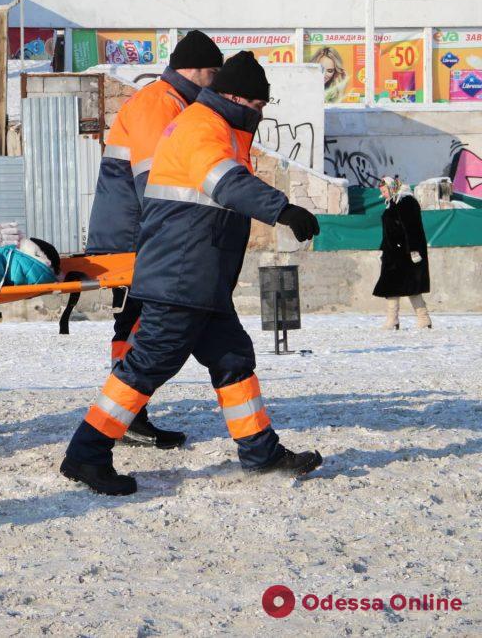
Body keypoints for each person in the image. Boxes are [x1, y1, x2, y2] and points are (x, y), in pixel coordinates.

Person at [60, 51, 324, 496]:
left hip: (201, 277)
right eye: (259, 107)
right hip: (182, 275)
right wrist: (284, 209)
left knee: (233, 359)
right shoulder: (204, 126)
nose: (260, 115)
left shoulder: (218, 125)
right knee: (148, 363)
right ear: (238, 97)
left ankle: (261, 453)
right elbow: (224, 182)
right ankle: (86, 452)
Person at [85, 30, 223, 450]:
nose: (216, 83)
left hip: (139, 232)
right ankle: (124, 414)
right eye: (214, 73)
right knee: (140, 325)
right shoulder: (159, 104)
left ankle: (128, 413)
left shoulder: (172, 102)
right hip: (137, 236)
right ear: (195, 69)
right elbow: (158, 180)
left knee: (138, 323)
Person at [373, 175, 431, 329]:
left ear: (392, 188)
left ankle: (423, 319)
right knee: (391, 286)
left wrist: (413, 250)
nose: (383, 194)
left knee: (412, 286)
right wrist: (382, 249)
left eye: (384, 191)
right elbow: (388, 231)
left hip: (406, 252)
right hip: (392, 253)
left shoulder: (406, 201)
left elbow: (412, 227)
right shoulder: (392, 203)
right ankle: (393, 320)